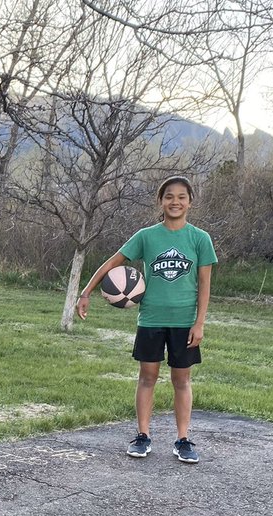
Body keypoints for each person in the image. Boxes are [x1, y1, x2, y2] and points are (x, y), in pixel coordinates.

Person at [75, 176, 217, 463]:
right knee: (147, 377)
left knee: (181, 379)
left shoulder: (200, 239)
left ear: (190, 201)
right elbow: (113, 262)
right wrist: (86, 291)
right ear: (160, 201)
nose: (175, 202)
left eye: (181, 197)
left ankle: (183, 440)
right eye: (169, 196)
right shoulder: (146, 236)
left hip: (184, 322)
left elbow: (205, 285)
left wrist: (199, 322)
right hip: (151, 320)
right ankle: (142, 436)